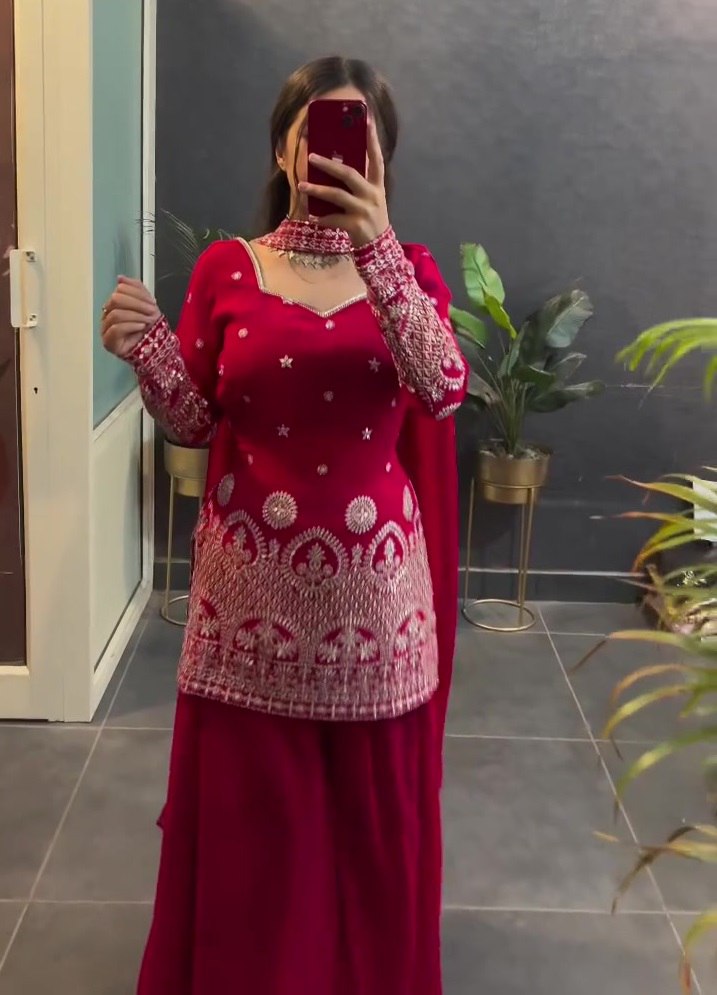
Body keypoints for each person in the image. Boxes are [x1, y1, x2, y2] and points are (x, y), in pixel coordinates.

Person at [102, 54, 468, 995]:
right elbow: (194, 420)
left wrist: (379, 252)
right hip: (247, 613)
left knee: (366, 838)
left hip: (373, 617)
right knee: (254, 835)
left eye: (359, 134)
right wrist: (147, 351)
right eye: (317, 130)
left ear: (381, 157)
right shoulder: (230, 268)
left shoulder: (411, 272)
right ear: (281, 146)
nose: (336, 151)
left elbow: (442, 388)